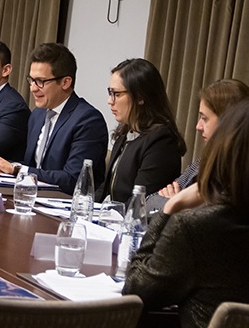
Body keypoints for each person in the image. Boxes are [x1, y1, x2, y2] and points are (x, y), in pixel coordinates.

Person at [123, 99, 249, 328]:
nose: (198, 126)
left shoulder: (195, 227)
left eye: (205, 118)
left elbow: (135, 291)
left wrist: (171, 207)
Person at [0, 43, 108, 194]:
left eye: (41, 81)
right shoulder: (37, 115)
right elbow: (33, 166)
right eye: (31, 80)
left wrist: (17, 170)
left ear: (65, 82)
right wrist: (0, 166)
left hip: (65, 202)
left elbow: (73, 180)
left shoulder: (88, 120)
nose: (33, 88)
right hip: (31, 196)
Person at [146, 79, 249, 212]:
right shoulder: (200, 164)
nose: (198, 126)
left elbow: (209, 220)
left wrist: (178, 204)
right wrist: (175, 202)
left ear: (228, 121)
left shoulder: (237, 177)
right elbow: (148, 202)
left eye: (204, 118)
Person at [97, 58, 186, 203]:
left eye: (117, 94)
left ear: (140, 97)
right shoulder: (125, 133)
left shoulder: (161, 142)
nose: (110, 101)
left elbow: (139, 203)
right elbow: (105, 190)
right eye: (110, 93)